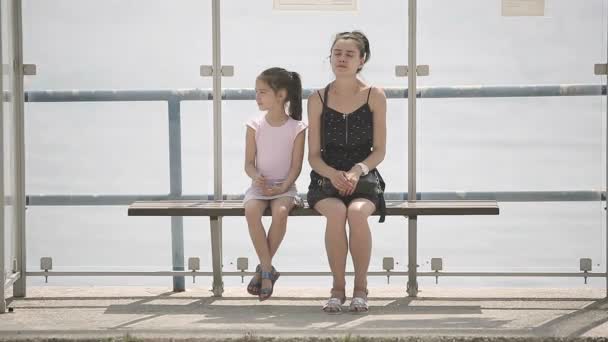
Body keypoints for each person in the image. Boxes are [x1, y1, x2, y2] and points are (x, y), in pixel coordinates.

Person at [307, 31, 387, 313]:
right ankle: (337, 288)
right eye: (337, 53)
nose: (341, 59)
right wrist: (331, 174)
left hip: (364, 178)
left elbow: (379, 151)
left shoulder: (375, 96)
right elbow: (313, 156)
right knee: (337, 212)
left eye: (349, 54)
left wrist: (356, 171)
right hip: (324, 178)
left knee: (355, 212)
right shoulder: (317, 98)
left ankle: (361, 288)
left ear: (362, 60)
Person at [243, 67, 307, 301]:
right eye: (256, 92)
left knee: (281, 212)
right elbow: (249, 163)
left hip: (285, 187)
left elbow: (296, 167)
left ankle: (263, 271)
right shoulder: (254, 124)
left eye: (262, 92)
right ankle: (268, 268)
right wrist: (256, 177)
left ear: (280, 95)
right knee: (251, 210)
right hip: (259, 187)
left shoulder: (297, 127)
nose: (257, 97)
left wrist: (283, 187)